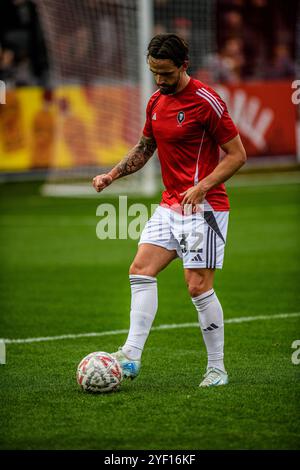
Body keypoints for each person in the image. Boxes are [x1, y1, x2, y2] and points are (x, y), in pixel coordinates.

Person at [92, 34, 247, 387]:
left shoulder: (207, 102)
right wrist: (112, 175)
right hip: (170, 205)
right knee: (140, 270)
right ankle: (130, 357)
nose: (160, 80)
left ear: (183, 66)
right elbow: (145, 146)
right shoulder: (155, 102)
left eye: (166, 74)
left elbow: (238, 155)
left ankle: (217, 368)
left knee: (197, 287)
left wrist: (204, 185)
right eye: (154, 73)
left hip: (204, 208)